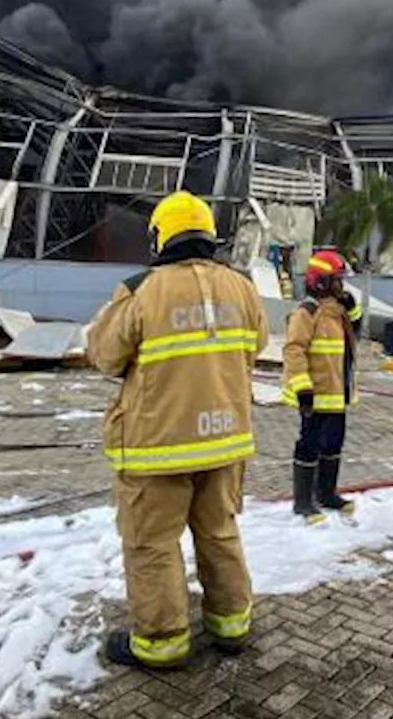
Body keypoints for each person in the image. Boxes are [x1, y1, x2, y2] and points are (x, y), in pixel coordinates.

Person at [87, 190, 269, 668]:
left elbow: (105, 356)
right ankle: (231, 624)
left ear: (159, 237)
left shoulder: (142, 290)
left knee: (152, 544)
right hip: (226, 439)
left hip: (158, 447)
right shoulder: (243, 288)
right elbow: (255, 347)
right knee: (219, 533)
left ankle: (161, 642)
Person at [281, 249, 363, 523]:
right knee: (309, 444)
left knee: (333, 444)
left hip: (337, 394)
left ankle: (326, 494)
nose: (342, 286)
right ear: (321, 283)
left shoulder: (338, 313)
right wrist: (302, 388)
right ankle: (303, 502)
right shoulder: (307, 313)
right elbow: (294, 350)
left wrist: (352, 306)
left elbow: (357, 330)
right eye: (337, 281)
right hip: (315, 395)